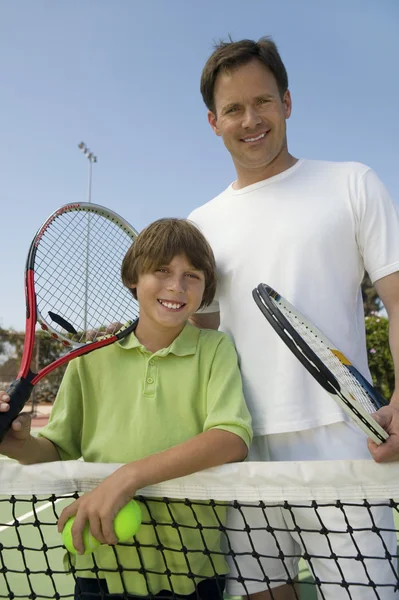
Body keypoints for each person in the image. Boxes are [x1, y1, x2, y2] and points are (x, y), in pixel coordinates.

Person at [188, 37, 399, 599]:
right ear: (213, 121)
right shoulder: (199, 225)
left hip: (348, 443)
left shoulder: (352, 182)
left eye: (263, 102)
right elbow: (200, 344)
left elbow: (398, 300)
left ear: (287, 102)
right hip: (245, 448)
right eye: (233, 108)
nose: (250, 120)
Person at [0, 218, 253, 600]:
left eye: (192, 275)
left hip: (191, 567)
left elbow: (230, 438)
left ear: (206, 288)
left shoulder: (214, 349)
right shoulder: (91, 356)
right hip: (100, 563)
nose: (176, 286)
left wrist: (127, 477)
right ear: (134, 278)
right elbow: (55, 450)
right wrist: (14, 443)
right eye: (162, 271)